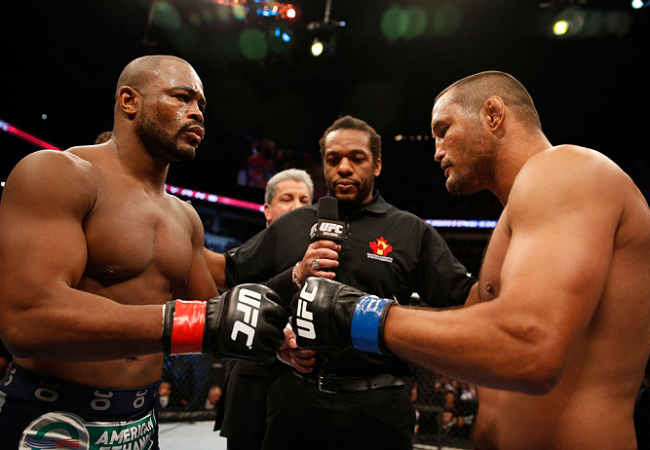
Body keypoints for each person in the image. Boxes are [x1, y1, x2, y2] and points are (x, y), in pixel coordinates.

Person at [291, 71, 650, 450]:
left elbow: (528, 347)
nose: (436, 151)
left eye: (443, 130)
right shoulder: (520, 221)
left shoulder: (568, 169)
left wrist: (360, 314)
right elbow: (475, 329)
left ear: (493, 114)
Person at [0, 54, 288, 450]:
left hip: (141, 421)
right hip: (51, 418)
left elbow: (217, 317)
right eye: (182, 97)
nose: (197, 113)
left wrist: (285, 334)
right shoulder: (57, 174)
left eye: (201, 105)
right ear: (129, 101)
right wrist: (194, 325)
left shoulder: (185, 217)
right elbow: (27, 320)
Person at [204, 115, 476, 450]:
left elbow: (462, 297)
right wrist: (179, 223)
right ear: (324, 166)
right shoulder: (292, 224)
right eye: (333, 160)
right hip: (297, 398)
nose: (344, 168)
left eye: (356, 158)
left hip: (379, 404)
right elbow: (228, 273)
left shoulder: (410, 230)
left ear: (377, 166)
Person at [212, 168, 314, 450]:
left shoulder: (325, 255)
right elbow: (233, 303)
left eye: (305, 201)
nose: (297, 207)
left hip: (309, 388)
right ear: (268, 211)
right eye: (287, 199)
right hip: (255, 386)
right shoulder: (248, 255)